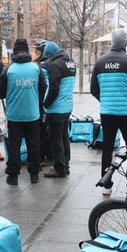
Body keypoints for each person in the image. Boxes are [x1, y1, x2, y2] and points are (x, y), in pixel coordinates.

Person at [90, 29, 127, 195]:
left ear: (111, 43)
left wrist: (106, 101)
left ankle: (106, 183)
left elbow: (94, 89)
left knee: (107, 147)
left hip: (107, 113)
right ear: (126, 43)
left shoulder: (100, 62)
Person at [0, 38, 46, 185]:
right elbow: (43, 90)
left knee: (14, 145)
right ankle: (34, 174)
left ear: (16, 51)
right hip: (32, 114)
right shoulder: (36, 69)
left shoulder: (8, 70)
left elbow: (1, 92)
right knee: (33, 144)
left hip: (14, 115)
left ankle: (13, 175)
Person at [41, 41, 77, 178]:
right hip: (67, 107)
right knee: (64, 137)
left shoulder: (55, 65)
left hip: (56, 108)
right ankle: (65, 165)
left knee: (55, 139)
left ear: (51, 55)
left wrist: (46, 103)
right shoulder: (70, 63)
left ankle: (59, 168)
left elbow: (54, 88)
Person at [33, 39, 52, 165]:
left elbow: (44, 85)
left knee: (43, 130)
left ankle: (47, 156)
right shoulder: (43, 63)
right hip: (44, 101)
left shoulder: (43, 65)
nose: (35, 52)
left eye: (38, 50)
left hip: (42, 102)